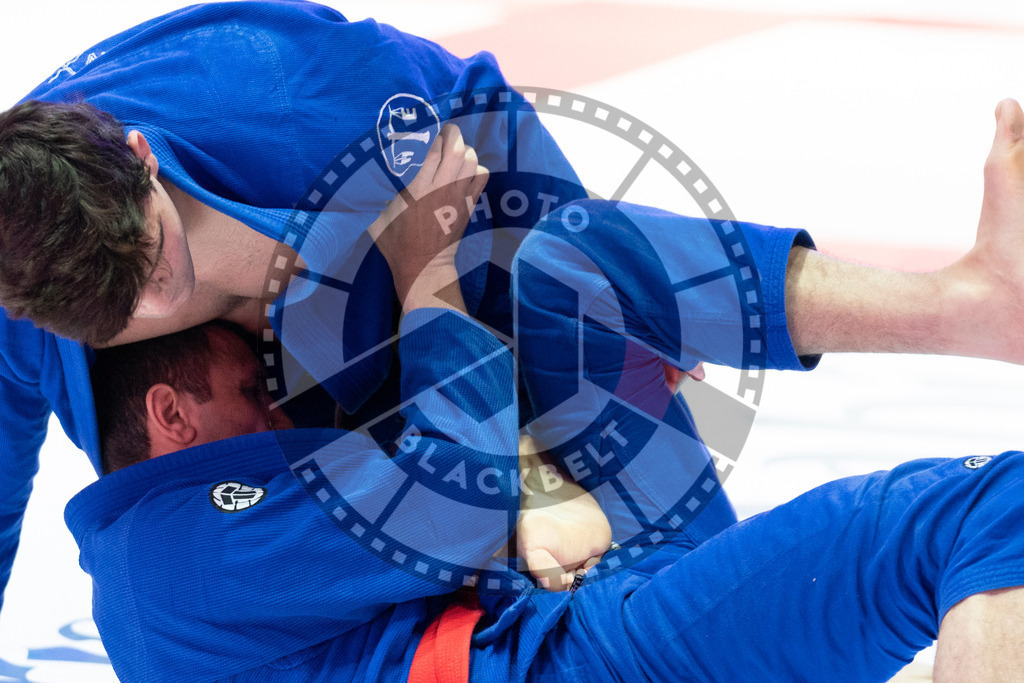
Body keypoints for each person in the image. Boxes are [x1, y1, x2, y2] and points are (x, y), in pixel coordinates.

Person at [74, 99, 1024, 681]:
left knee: (573, 262)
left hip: (582, 606)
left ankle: (966, 308)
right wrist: (424, 271)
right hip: (570, 659)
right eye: (251, 391)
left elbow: (445, 498)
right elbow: (450, 497)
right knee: (989, 509)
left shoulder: (175, 526)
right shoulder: (169, 562)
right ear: (169, 415)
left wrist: (542, 466)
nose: (282, 413)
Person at [0, 0, 586, 612]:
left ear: (143, 157)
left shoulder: (284, 90)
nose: (156, 301)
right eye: (120, 313)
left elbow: (479, 102)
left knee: (605, 494)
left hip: (420, 290)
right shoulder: (18, 309)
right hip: (271, 422)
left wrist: (598, 323)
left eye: (150, 259)